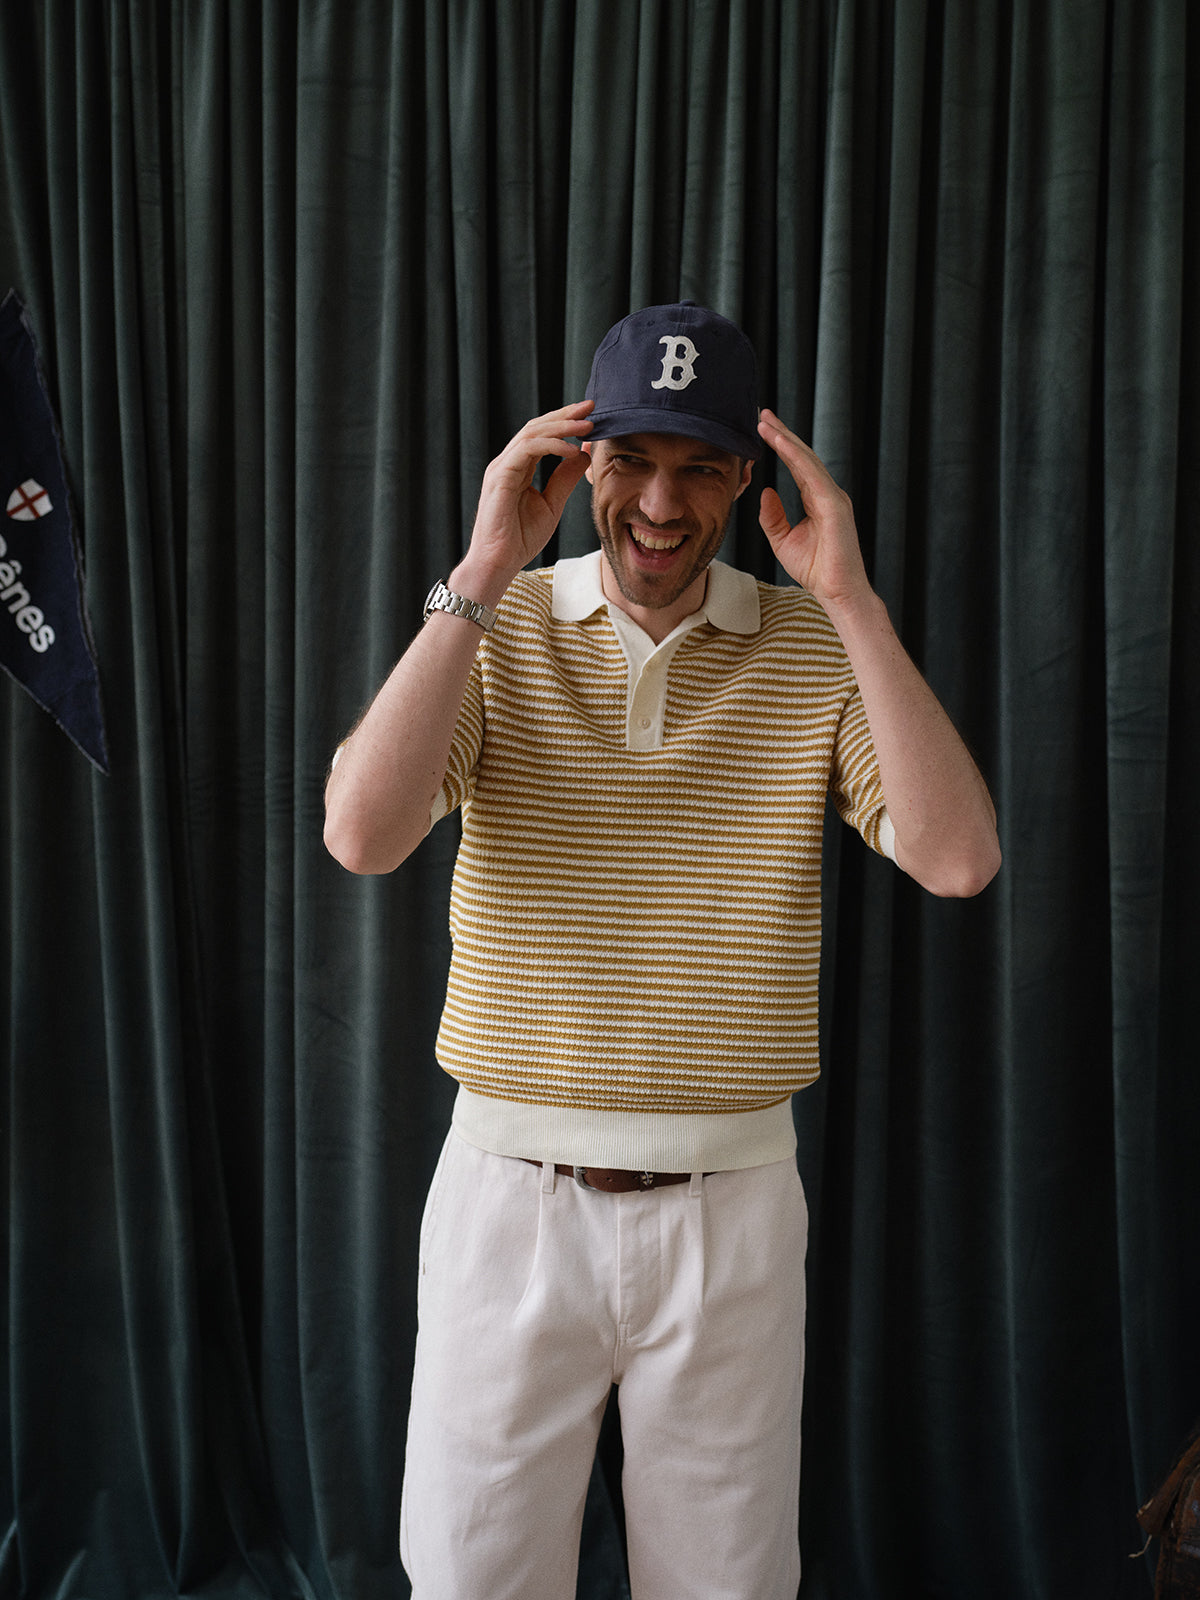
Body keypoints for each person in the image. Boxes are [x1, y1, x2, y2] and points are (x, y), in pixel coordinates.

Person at [324, 302, 1001, 1600]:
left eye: (699, 465)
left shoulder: (813, 646)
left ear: (749, 482)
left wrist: (850, 600)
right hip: (509, 1200)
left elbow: (958, 856)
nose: (658, 501)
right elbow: (361, 833)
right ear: (577, 463)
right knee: (470, 1581)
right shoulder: (498, 628)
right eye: (629, 457)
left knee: (727, 1589)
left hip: (730, 1212)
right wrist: (478, 573)